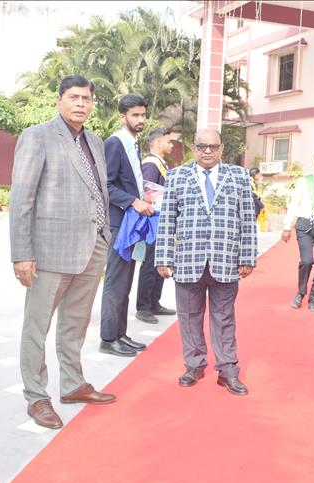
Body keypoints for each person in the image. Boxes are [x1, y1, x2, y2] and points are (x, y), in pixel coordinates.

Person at [9, 75, 116, 430]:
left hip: (92, 247)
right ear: (59, 100)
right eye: (73, 97)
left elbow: (98, 191)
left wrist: (105, 235)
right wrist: (21, 253)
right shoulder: (37, 136)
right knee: (37, 326)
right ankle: (36, 396)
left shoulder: (95, 142)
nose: (80, 104)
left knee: (76, 322)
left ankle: (72, 384)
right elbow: (21, 199)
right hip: (50, 250)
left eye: (86, 98)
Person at [155, 128, 257, 396]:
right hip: (188, 260)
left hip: (226, 260)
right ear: (194, 148)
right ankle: (194, 365)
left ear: (222, 148)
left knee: (224, 318)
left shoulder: (239, 176)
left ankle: (228, 370)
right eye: (202, 146)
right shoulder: (176, 176)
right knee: (189, 317)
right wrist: (163, 257)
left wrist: (248, 256)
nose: (208, 151)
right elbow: (166, 220)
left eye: (213, 146)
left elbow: (248, 219)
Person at [99, 94, 153, 357]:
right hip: (119, 223)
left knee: (126, 281)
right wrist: (133, 201)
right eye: (135, 115)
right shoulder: (115, 143)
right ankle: (108, 338)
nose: (141, 119)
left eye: (143, 115)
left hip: (132, 223)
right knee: (116, 282)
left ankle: (120, 334)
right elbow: (105, 185)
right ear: (123, 117)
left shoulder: (133, 144)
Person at [135, 127, 177, 324]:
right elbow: (148, 193)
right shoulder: (151, 165)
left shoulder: (160, 163)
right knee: (151, 264)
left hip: (162, 220)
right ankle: (143, 307)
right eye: (168, 142)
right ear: (159, 143)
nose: (171, 145)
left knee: (160, 261)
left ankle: (154, 302)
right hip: (153, 221)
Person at [282, 150, 314, 312]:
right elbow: (294, 203)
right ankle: (300, 293)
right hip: (305, 225)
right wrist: (287, 226)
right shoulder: (305, 181)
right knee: (307, 260)